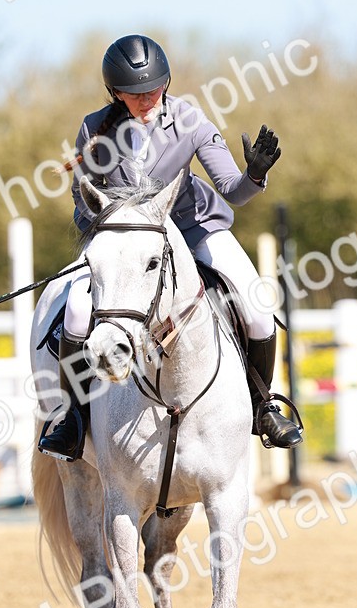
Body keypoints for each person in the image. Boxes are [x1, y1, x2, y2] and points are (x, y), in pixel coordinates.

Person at [38, 33, 303, 462]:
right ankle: (72, 419)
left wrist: (254, 175)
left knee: (255, 302)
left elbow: (232, 191)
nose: (147, 98)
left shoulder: (190, 120)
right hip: (125, 239)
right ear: (115, 92)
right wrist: (110, 231)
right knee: (76, 310)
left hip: (192, 228)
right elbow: (81, 199)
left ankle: (262, 404)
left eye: (154, 88)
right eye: (136, 92)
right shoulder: (94, 128)